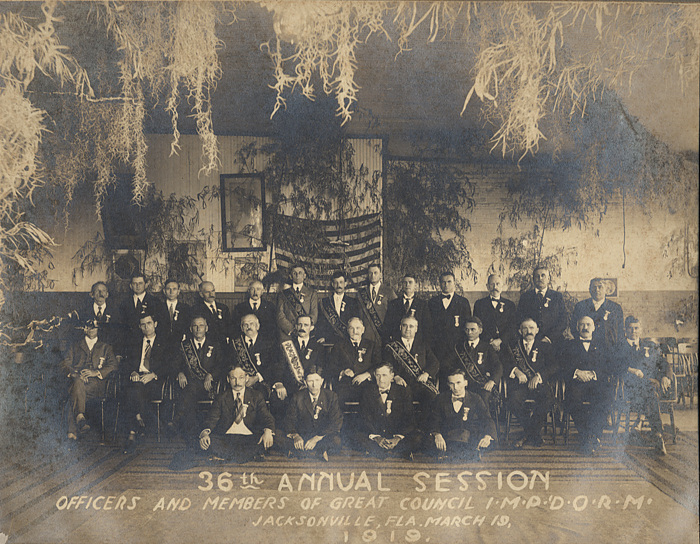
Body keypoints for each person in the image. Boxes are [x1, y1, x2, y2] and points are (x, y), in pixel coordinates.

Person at [615, 316, 672, 455]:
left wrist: (666, 376)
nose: (633, 331)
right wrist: (631, 370)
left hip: (648, 386)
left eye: (636, 328)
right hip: (627, 387)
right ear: (625, 330)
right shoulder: (619, 346)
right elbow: (614, 366)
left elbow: (664, 363)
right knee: (651, 392)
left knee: (650, 392)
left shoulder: (649, 346)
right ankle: (656, 433)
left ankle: (644, 428)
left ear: (641, 329)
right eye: (630, 328)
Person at [561, 316, 616, 455]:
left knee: (605, 398)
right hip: (576, 384)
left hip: (597, 383)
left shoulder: (603, 345)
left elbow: (609, 366)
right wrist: (576, 372)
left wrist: (593, 373)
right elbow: (562, 366)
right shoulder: (568, 345)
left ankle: (592, 436)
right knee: (573, 399)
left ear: (594, 327)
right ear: (577, 327)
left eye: (588, 324)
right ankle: (588, 436)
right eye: (582, 324)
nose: (585, 327)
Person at [199, 365, 275, 462]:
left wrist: (268, 431)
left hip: (249, 436)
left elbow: (266, 416)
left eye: (241, 378)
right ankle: (249, 455)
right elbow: (212, 418)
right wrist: (205, 433)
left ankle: (225, 455)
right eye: (233, 378)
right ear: (228, 379)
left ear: (247, 378)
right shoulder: (221, 397)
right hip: (227, 437)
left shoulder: (256, 396)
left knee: (265, 438)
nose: (237, 382)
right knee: (210, 441)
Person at [123, 313, 175, 453]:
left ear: (155, 324)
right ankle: (141, 420)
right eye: (143, 324)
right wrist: (133, 372)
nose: (146, 327)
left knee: (133, 391)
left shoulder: (165, 342)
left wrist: (153, 375)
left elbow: (170, 365)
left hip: (156, 382)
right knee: (133, 388)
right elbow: (126, 362)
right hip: (137, 379)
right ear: (140, 327)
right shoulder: (134, 342)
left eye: (149, 323)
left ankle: (134, 429)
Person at [61, 319, 118, 440]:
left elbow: (113, 365)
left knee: (73, 392)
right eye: (88, 327)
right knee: (77, 384)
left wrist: (95, 372)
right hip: (78, 380)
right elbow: (65, 363)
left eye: (94, 327)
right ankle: (80, 418)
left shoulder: (105, 347)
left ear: (98, 329)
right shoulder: (75, 346)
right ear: (84, 329)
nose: (91, 330)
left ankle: (73, 428)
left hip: (97, 385)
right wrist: (76, 374)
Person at [505, 318, 557, 448]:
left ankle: (527, 433)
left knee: (548, 399)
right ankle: (534, 434)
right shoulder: (511, 347)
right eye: (525, 328)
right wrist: (515, 370)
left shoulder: (545, 346)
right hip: (519, 386)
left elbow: (554, 366)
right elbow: (503, 364)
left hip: (539, 385)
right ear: (520, 331)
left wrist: (539, 376)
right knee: (513, 401)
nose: (529, 331)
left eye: (532, 328)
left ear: (537, 330)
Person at [171, 316, 226, 440]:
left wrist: (211, 375)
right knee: (189, 395)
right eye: (195, 326)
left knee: (189, 392)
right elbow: (174, 365)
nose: (198, 328)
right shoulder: (184, 346)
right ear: (191, 329)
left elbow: (221, 365)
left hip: (210, 386)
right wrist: (179, 373)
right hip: (189, 386)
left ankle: (177, 420)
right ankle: (194, 435)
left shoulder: (215, 345)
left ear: (206, 328)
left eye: (201, 325)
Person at [426, 368, 496, 460]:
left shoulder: (476, 398)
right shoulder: (441, 398)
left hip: (470, 438)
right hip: (448, 438)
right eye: (452, 383)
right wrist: (437, 434)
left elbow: (487, 419)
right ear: (448, 384)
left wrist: (487, 436)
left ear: (465, 383)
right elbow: (434, 419)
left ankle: (464, 454)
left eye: (458, 383)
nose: (455, 387)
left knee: (485, 444)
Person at [353, 362, 419, 459]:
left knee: (417, 438)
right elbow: (364, 418)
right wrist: (377, 438)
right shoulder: (367, 391)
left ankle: (384, 451)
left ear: (392, 376)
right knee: (355, 436)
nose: (381, 379)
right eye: (378, 375)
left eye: (384, 375)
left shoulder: (404, 391)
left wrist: (397, 438)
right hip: (377, 435)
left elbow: (409, 418)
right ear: (374, 375)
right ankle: (396, 452)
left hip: (396, 435)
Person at [280, 366, 343, 460]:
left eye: (317, 380)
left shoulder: (331, 396)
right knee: (278, 436)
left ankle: (302, 451)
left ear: (322, 381)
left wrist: (317, 438)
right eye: (310, 381)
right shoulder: (297, 396)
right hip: (303, 435)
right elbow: (289, 419)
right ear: (305, 382)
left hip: (322, 436)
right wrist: (296, 436)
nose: (314, 385)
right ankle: (318, 451)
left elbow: (336, 421)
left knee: (336, 441)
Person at [383, 316, 439, 408]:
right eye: (405, 326)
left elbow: (435, 363)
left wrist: (426, 374)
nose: (408, 329)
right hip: (400, 384)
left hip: (420, 385)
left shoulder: (423, 345)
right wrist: (396, 377)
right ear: (400, 327)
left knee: (432, 399)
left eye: (411, 326)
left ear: (416, 329)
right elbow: (387, 365)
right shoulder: (391, 346)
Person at [447, 316, 502, 407]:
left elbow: (498, 366)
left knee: (484, 397)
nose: (469, 333)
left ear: (480, 330)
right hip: (462, 386)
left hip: (481, 385)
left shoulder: (487, 347)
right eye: (467, 329)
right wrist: (457, 376)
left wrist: (492, 381)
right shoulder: (458, 347)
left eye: (473, 329)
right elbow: (447, 364)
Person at [329, 317, 381, 406]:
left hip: (366, 383)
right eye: (351, 328)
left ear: (363, 330)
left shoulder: (372, 345)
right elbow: (331, 367)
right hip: (346, 384)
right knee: (337, 399)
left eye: (358, 328)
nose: (355, 331)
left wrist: (366, 375)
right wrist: (343, 372)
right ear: (347, 330)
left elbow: (378, 365)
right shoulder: (339, 346)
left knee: (372, 399)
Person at [276, 314, 326, 404]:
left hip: (311, 386)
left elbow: (321, 368)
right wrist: (279, 383)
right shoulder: (287, 345)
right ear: (295, 326)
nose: (302, 327)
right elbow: (279, 368)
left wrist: (310, 384)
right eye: (300, 324)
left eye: (306, 325)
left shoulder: (318, 347)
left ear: (311, 328)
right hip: (290, 387)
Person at [516, 266, 567, 345]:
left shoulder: (557, 296)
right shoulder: (525, 297)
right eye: (537, 276)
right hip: (531, 340)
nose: (540, 278)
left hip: (553, 341)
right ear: (533, 279)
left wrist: (549, 338)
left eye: (543, 275)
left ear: (548, 279)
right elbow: (520, 319)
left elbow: (563, 320)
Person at [118, 273, 166, 354]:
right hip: (129, 346)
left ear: (146, 285)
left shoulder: (155, 302)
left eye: (140, 283)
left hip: (148, 344)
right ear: (130, 286)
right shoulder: (124, 303)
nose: (137, 286)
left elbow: (160, 325)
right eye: (134, 283)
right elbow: (121, 328)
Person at [428, 272, 472, 360]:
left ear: (454, 283)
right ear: (440, 284)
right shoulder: (432, 302)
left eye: (449, 282)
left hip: (456, 348)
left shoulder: (463, 302)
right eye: (443, 282)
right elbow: (429, 326)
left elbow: (467, 325)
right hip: (437, 347)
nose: (446, 285)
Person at [571, 278, 624, 350]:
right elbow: (574, 328)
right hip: (586, 350)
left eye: (600, 287)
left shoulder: (615, 308)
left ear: (606, 290)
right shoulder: (580, 306)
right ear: (589, 290)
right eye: (594, 287)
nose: (597, 290)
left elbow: (620, 332)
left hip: (608, 351)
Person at [383, 274, 433, 344]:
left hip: (416, 345)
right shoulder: (393, 304)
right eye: (405, 282)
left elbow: (427, 328)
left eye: (410, 282)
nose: (407, 285)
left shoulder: (423, 305)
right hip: (398, 344)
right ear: (402, 285)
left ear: (415, 285)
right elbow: (387, 326)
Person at [473, 274, 517, 353]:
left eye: (497, 284)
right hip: (486, 344)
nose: (495, 287)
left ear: (502, 286)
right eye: (492, 284)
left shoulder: (510, 305)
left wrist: (500, 340)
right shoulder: (479, 304)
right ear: (487, 286)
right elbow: (478, 325)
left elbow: (513, 326)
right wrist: (491, 341)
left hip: (506, 345)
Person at [315, 270, 361, 346]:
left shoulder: (353, 302)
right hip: (328, 339)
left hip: (347, 340)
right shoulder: (324, 302)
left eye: (341, 282)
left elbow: (355, 322)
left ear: (345, 284)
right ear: (332, 284)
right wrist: (323, 337)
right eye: (336, 282)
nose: (338, 285)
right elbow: (321, 322)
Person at [356, 264, 396, 346]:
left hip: (382, 336)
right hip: (366, 336)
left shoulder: (389, 291)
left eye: (375, 273)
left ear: (380, 274)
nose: (373, 275)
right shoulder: (361, 293)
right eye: (370, 273)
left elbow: (395, 315)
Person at [276, 264, 319, 338]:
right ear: (290, 276)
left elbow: (314, 313)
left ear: (304, 276)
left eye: (300, 273)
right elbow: (280, 315)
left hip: (306, 332)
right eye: (294, 273)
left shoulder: (312, 293)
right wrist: (292, 329)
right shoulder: (283, 294)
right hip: (289, 333)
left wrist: (305, 327)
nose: (297, 275)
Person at [77, 281, 119, 347]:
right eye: (97, 290)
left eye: (103, 291)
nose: (100, 293)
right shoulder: (83, 311)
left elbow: (117, 334)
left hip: (108, 349)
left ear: (107, 294)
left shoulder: (115, 312)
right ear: (91, 294)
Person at [161, 279, 191, 344]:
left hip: (180, 343)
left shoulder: (186, 308)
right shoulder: (158, 307)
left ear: (178, 291)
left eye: (174, 289)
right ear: (164, 291)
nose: (171, 292)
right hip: (162, 343)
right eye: (168, 289)